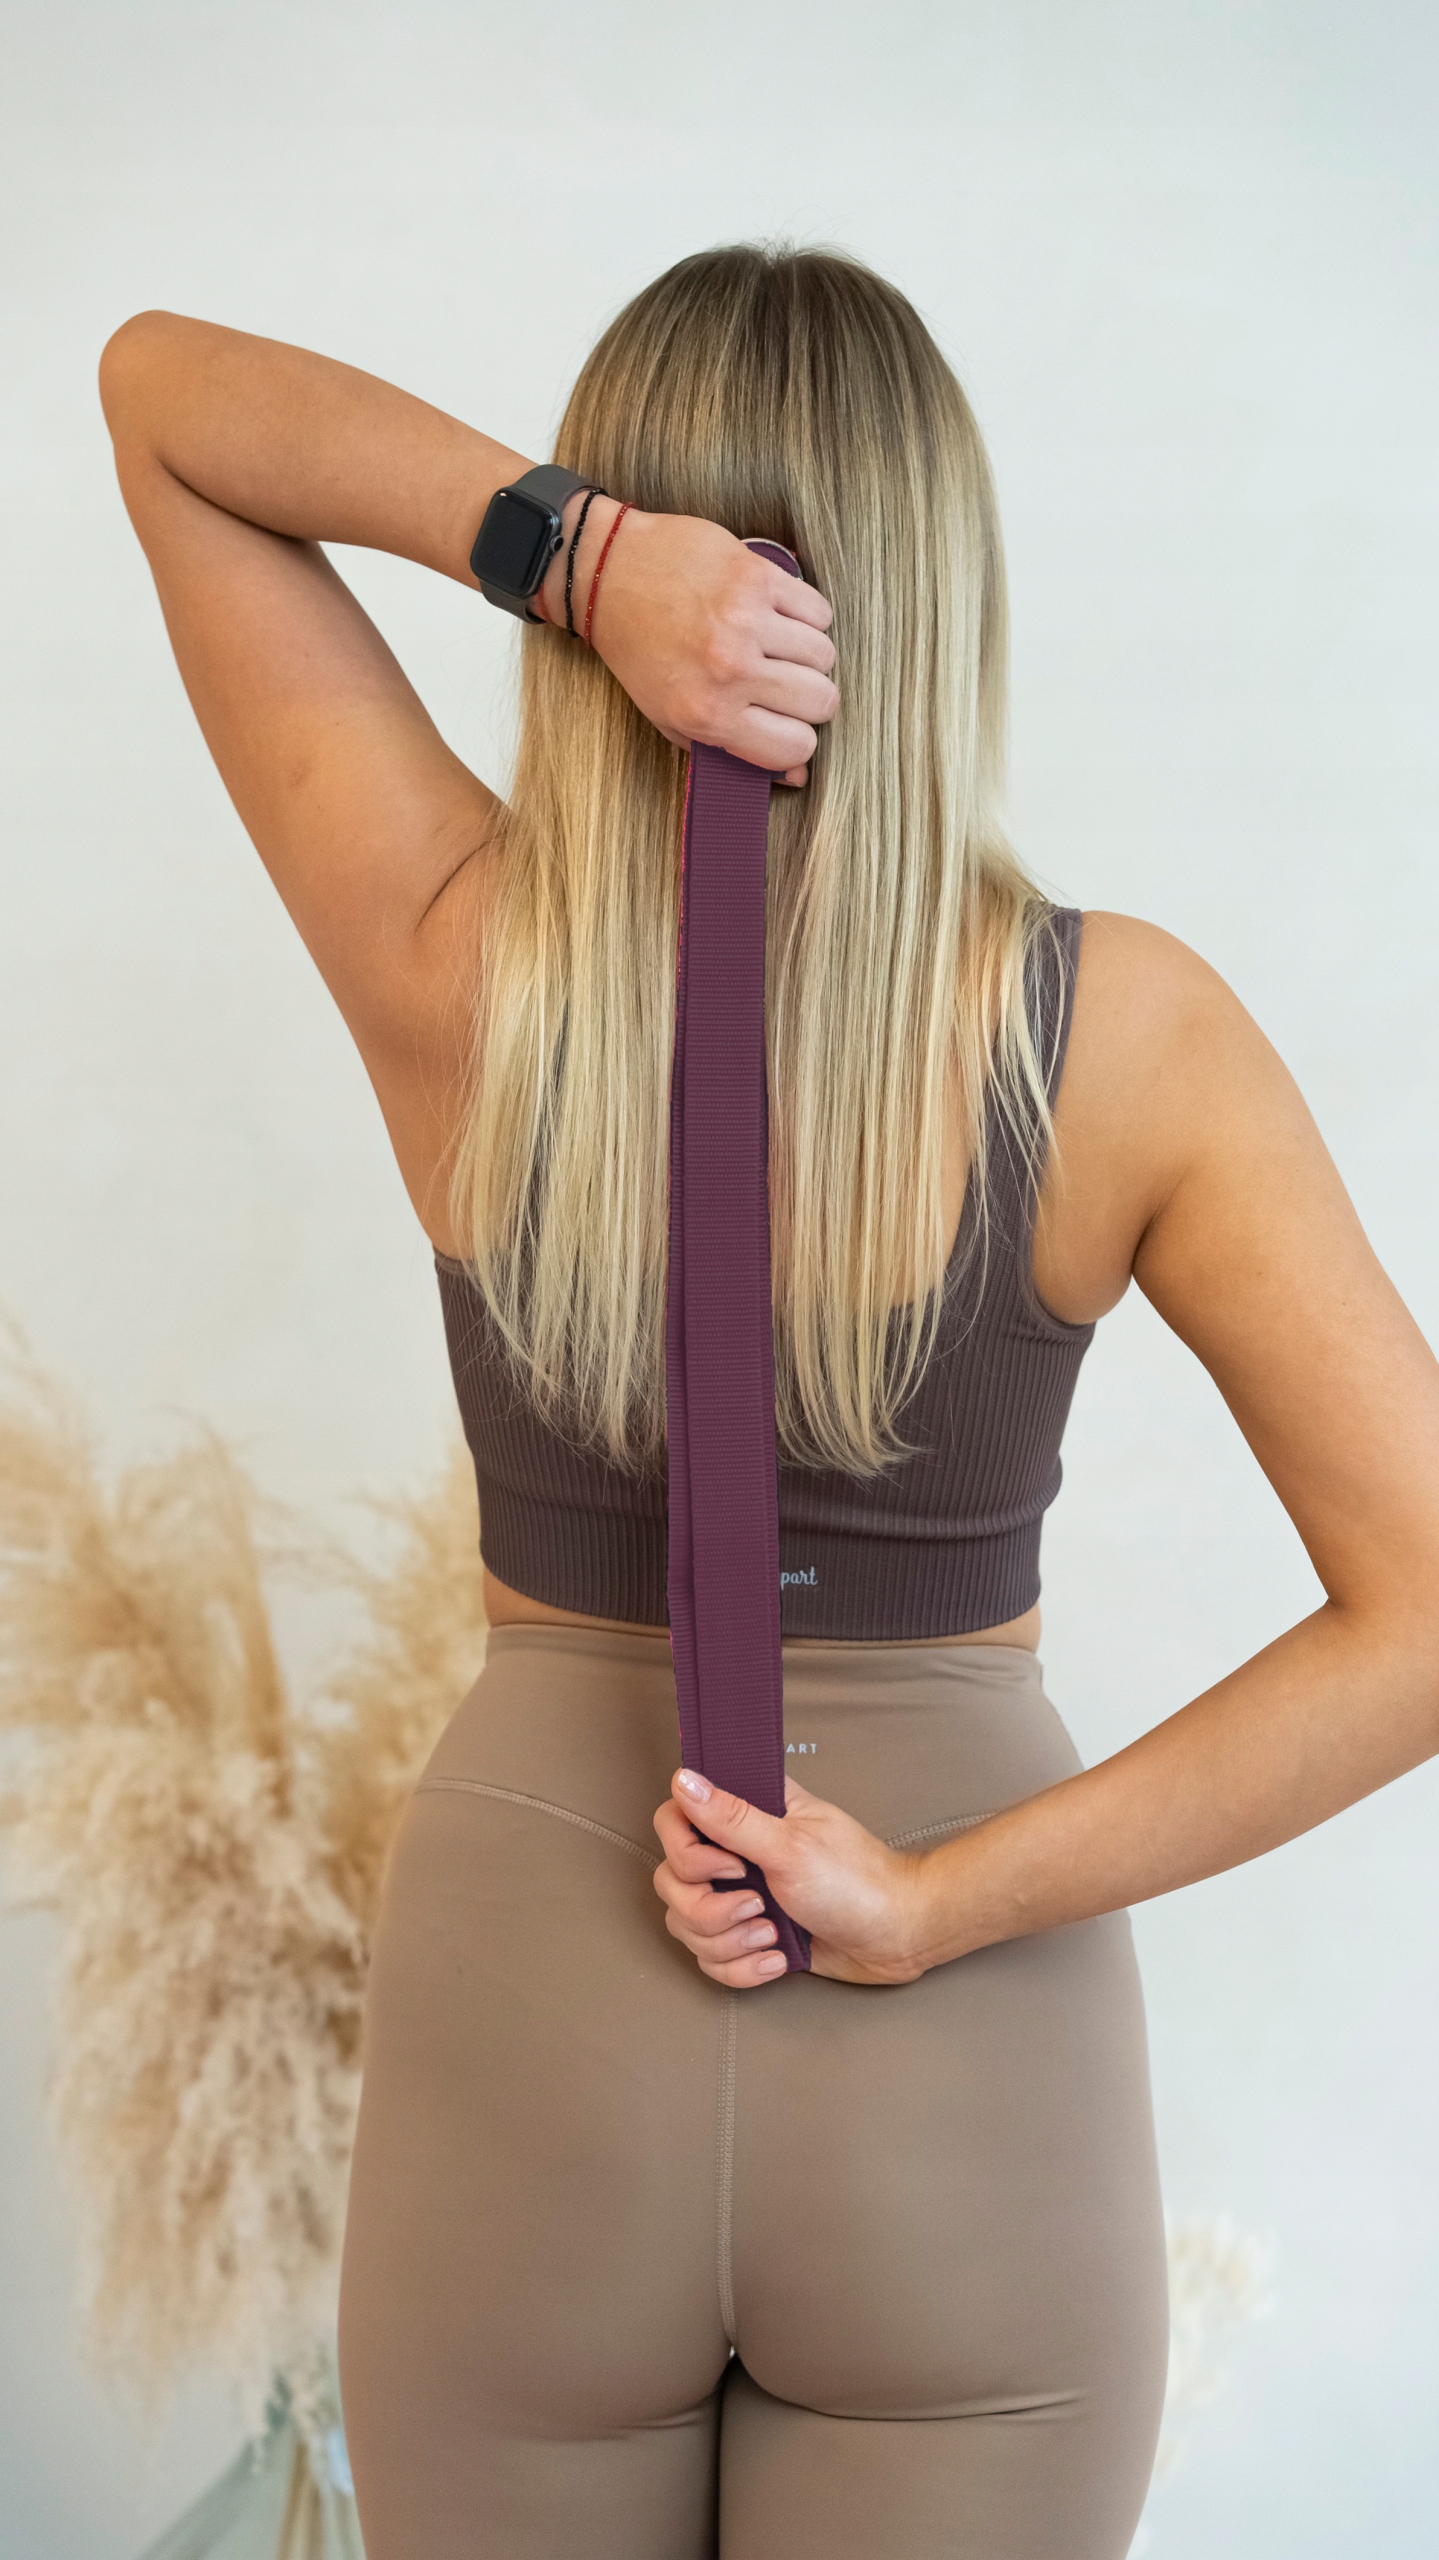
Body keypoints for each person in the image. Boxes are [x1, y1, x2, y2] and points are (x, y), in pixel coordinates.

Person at [98, 245, 1439, 2560]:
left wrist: (571, 553)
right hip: (962, 2063)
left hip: (536, 2018)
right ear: (940, 593)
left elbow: (161, 402)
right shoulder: (1133, 1041)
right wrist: (932, 1900)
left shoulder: (457, 957)